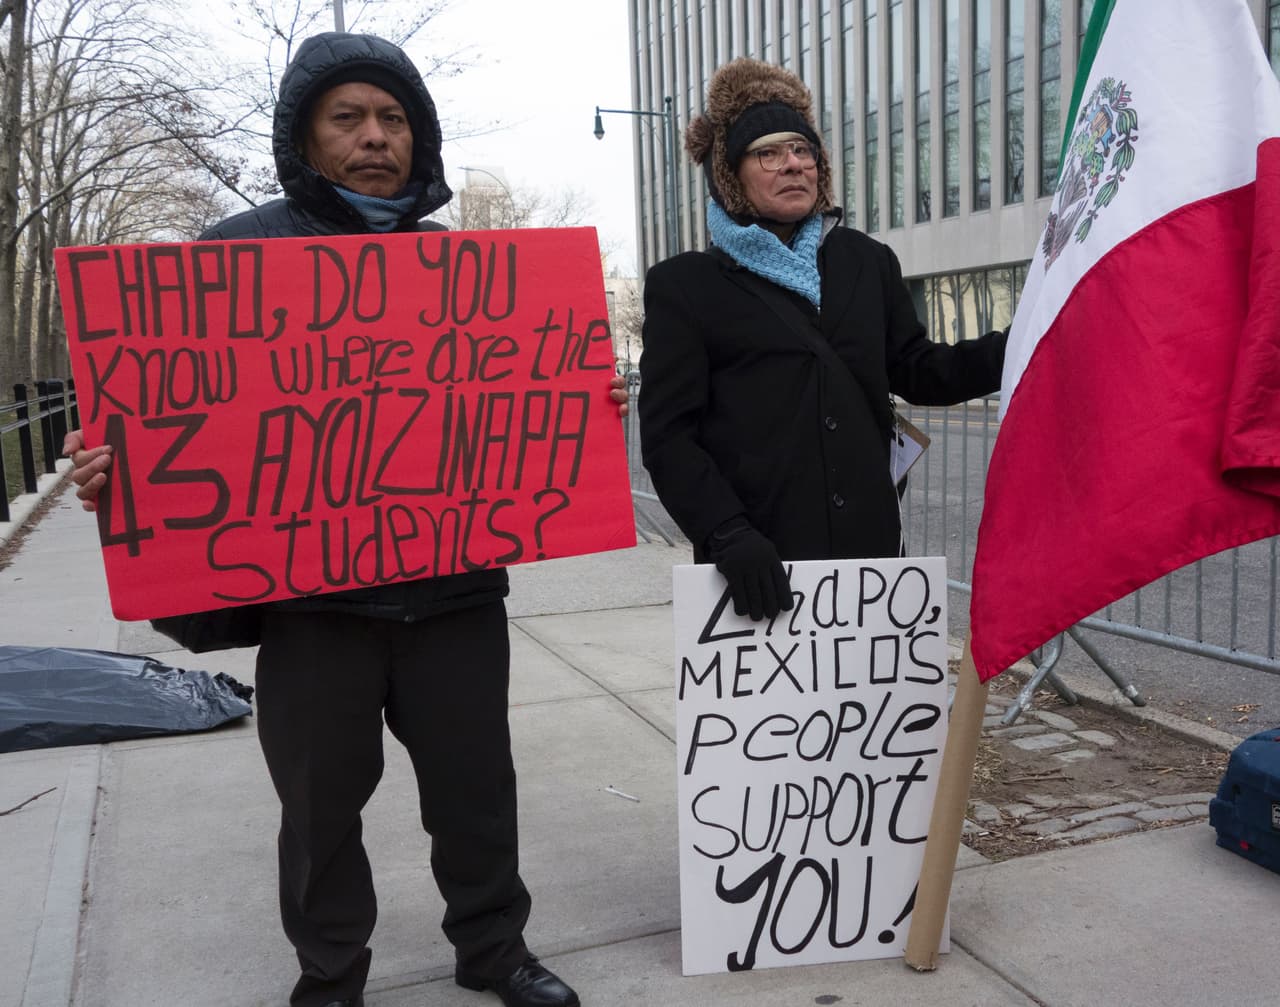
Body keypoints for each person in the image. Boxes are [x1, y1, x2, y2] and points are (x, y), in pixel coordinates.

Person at [63, 31, 627, 1007]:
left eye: (394, 118)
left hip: (452, 599)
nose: (375, 137)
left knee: (476, 797)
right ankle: (330, 975)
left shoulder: (472, 274)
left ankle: (493, 951)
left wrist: (577, 406)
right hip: (313, 609)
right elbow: (172, 422)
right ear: (306, 135)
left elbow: (508, 420)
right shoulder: (229, 261)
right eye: (349, 117)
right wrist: (119, 468)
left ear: (420, 137)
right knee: (320, 811)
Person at [638, 57, 1007, 621]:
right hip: (756, 567)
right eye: (768, 153)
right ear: (730, 175)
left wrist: (1022, 342)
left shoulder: (867, 261)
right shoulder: (685, 286)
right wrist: (727, 533)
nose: (793, 165)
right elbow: (669, 438)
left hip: (871, 561)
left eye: (803, 151)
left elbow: (918, 368)